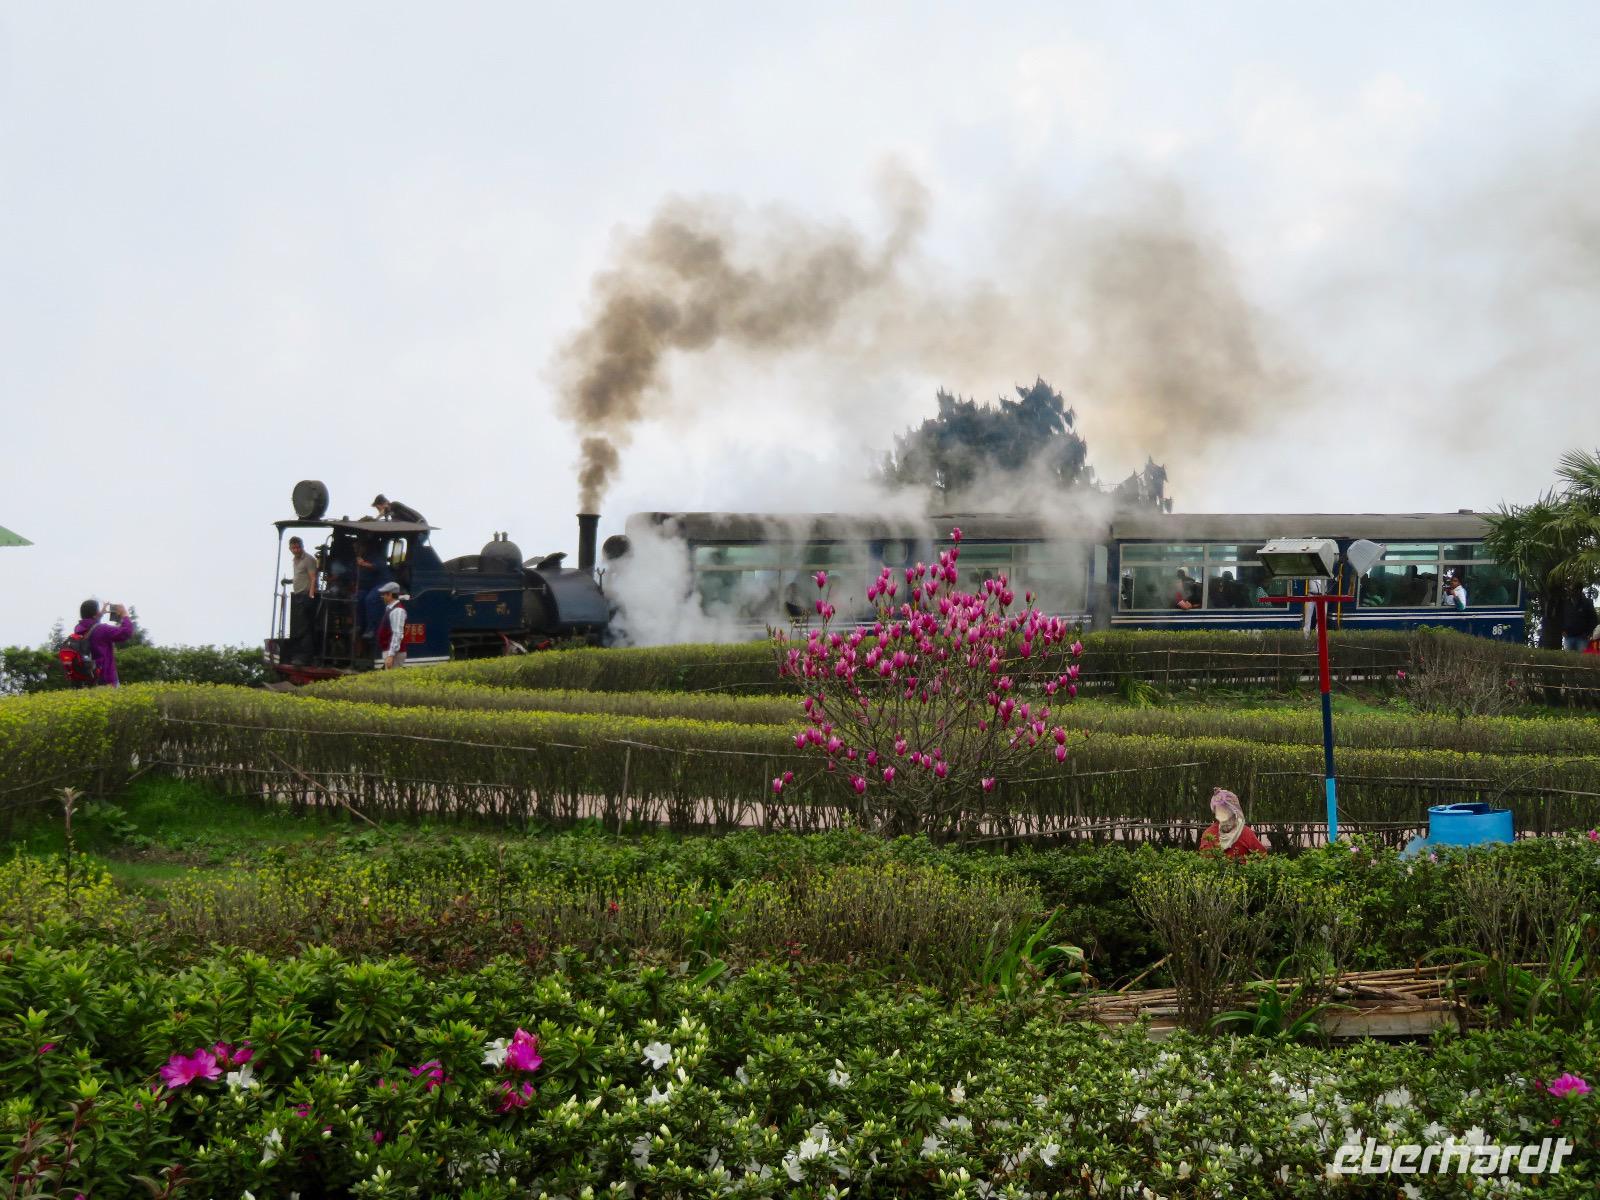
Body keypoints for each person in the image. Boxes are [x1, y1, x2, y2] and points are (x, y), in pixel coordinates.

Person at [72, 600, 134, 687]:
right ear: (95, 614)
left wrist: (98, 615)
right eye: (98, 610)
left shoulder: (78, 630)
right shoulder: (102, 629)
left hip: (88, 679)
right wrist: (124, 614)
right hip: (106, 680)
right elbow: (126, 632)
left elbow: (93, 629)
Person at [1198, 787, 1270, 860]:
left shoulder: (1246, 833)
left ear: (1235, 812)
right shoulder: (1209, 834)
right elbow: (1204, 863)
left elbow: (1263, 858)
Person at [287, 536, 319, 662]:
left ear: (302, 546)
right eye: (293, 548)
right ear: (290, 548)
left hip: (306, 595)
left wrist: (311, 595)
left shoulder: (309, 559)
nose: (295, 550)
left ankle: (305, 656)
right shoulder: (295, 560)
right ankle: (297, 653)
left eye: (297, 547)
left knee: (305, 627)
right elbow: (299, 576)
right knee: (298, 627)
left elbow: (313, 578)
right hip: (297, 595)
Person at [375, 581, 408, 669]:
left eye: (384, 595)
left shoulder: (397, 611)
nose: (382, 597)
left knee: (391, 681)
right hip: (391, 652)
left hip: (394, 653)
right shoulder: (391, 609)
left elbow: (397, 634)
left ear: (390, 595)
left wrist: (391, 655)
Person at [1559, 586, 1598, 653]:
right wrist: (1562, 630)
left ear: (1579, 591)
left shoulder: (1587, 603)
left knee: (1581, 658)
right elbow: (1560, 618)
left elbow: (1593, 619)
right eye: (1570, 590)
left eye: (1574, 590)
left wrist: (1588, 633)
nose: (1572, 592)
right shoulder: (1566, 603)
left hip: (1582, 637)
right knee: (1568, 658)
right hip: (1568, 636)